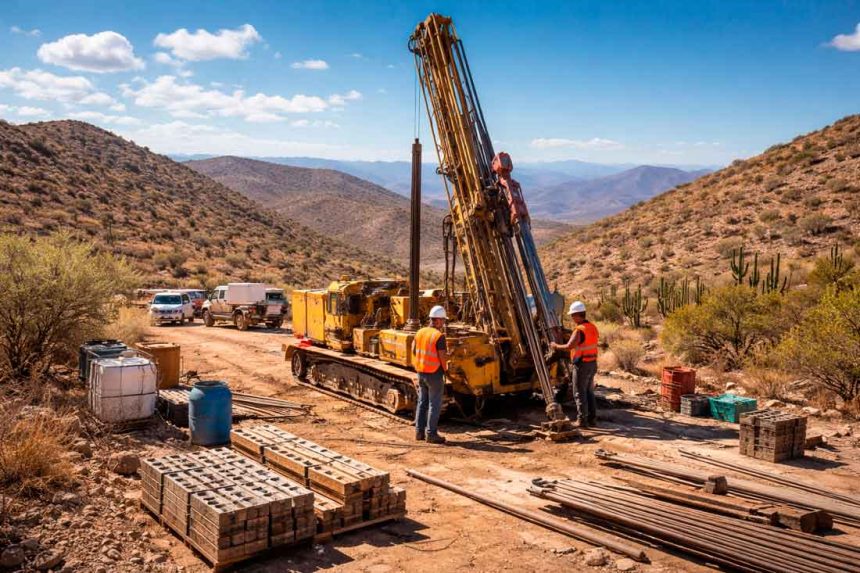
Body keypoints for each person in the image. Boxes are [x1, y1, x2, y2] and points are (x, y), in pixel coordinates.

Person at [550, 301, 599, 427]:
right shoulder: (592, 327)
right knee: (589, 392)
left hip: (582, 364)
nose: (572, 318)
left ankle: (582, 421)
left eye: (572, 315)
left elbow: (569, 346)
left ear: (578, 315)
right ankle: (592, 419)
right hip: (592, 363)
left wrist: (555, 346)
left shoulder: (579, 330)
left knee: (579, 392)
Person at [412, 305, 449, 444]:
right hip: (434, 374)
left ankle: (419, 432)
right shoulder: (439, 336)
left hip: (421, 372)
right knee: (435, 404)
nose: (444, 323)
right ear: (438, 321)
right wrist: (446, 369)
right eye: (443, 320)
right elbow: (442, 356)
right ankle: (431, 434)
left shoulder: (420, 332)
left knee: (422, 402)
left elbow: (414, 350)